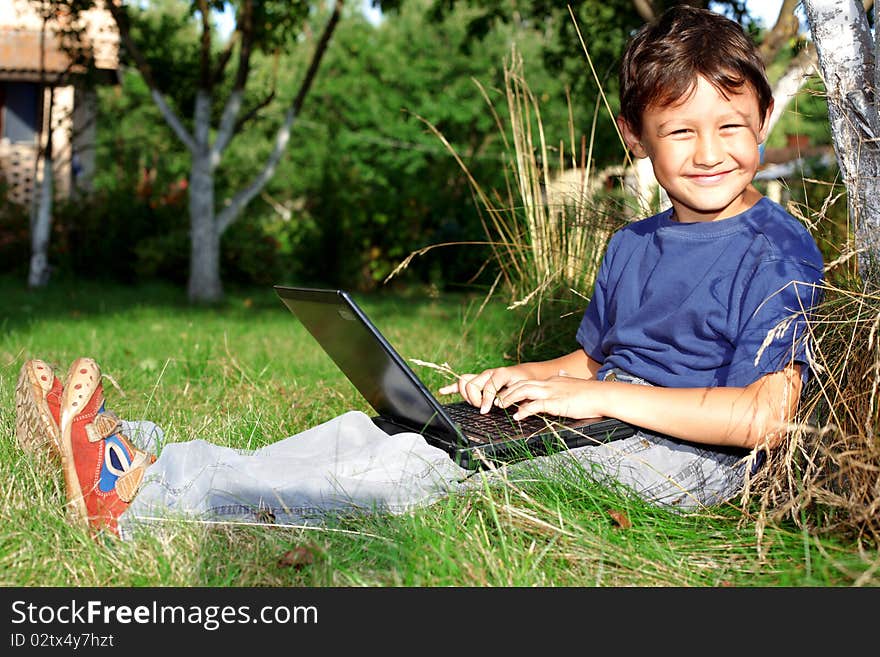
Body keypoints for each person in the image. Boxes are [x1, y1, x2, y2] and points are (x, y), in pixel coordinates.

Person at [14, 5, 824, 541]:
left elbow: (766, 417)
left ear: (762, 120)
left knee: (428, 479)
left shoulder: (775, 247)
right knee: (395, 431)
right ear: (635, 137)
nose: (711, 152)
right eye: (680, 130)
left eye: (732, 125)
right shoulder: (633, 245)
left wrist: (597, 397)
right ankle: (150, 455)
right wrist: (525, 380)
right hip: (610, 419)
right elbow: (591, 360)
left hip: (686, 460)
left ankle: (141, 502)